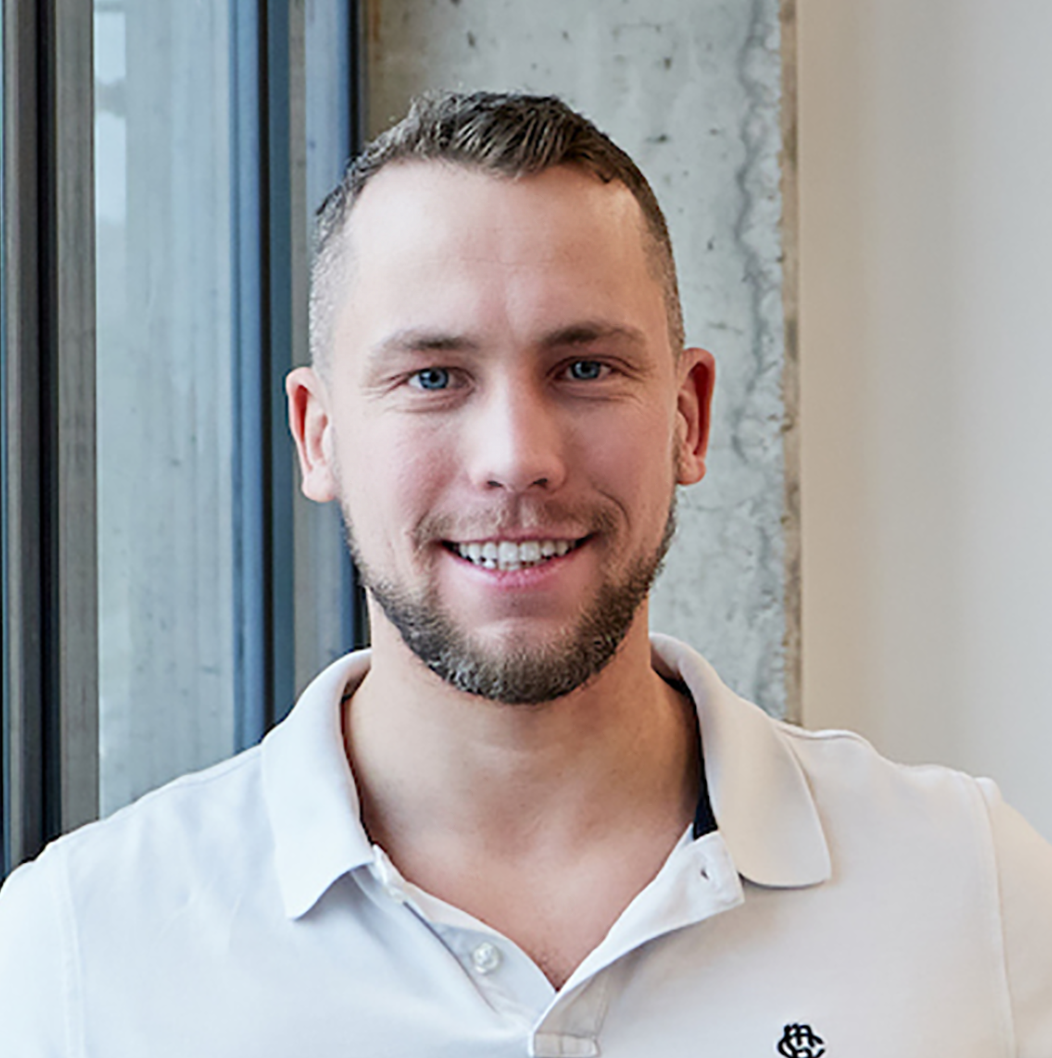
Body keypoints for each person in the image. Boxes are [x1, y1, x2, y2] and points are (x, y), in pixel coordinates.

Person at [1, 91, 1051, 1057]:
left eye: (584, 368)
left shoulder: (974, 891)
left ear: (687, 416)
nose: (517, 456)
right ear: (318, 436)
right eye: (433, 376)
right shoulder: (82, 951)